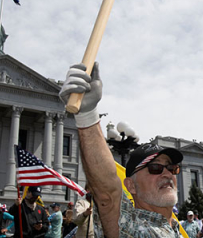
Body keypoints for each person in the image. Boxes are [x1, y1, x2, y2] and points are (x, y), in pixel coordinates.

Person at [59, 62, 186, 237]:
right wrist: (87, 114)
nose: (167, 174)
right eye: (155, 167)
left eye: (172, 168)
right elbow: (107, 195)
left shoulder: (176, 231)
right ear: (131, 186)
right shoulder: (132, 228)